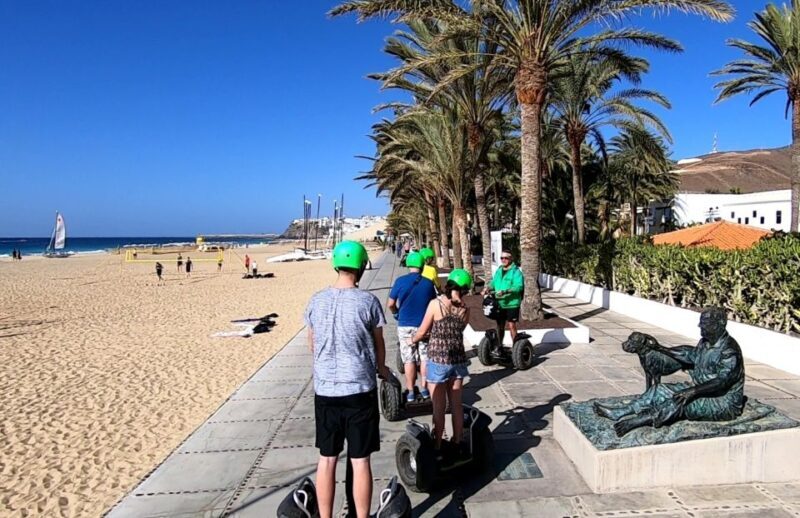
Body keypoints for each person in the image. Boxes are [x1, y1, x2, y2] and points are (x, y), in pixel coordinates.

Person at [304, 241, 389, 518]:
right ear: (363, 266)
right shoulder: (368, 302)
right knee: (360, 460)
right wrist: (382, 369)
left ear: (336, 264)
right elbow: (379, 345)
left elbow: (312, 344)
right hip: (359, 390)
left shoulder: (316, 301)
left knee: (327, 460)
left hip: (326, 390)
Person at [595, 307, 745, 437]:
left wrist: (692, 391)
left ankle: (641, 420)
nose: (700, 326)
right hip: (702, 390)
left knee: (679, 402)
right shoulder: (705, 342)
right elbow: (688, 355)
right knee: (658, 389)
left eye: (705, 324)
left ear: (720, 324)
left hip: (721, 402)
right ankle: (621, 412)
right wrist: (660, 348)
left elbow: (722, 381)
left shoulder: (730, 351)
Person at [411, 269, 472, 455]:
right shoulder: (465, 309)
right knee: (456, 405)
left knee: (438, 407)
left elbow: (422, 331)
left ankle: (437, 444)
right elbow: (455, 331)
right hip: (458, 360)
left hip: (438, 361)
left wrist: (411, 340)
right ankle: (458, 441)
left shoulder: (436, 304)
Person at [388, 252, 437, 402]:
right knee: (425, 358)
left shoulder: (400, 281)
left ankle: (410, 391)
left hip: (405, 325)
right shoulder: (428, 283)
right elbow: (433, 304)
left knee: (408, 359)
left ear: (408, 265)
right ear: (422, 266)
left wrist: (396, 313)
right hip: (424, 326)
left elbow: (390, 304)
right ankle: (424, 389)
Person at [483, 250, 524, 345]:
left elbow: (519, 287)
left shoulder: (516, 272)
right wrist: (488, 288)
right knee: (500, 326)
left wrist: (505, 291)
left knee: (511, 325)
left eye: (506, 258)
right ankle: (499, 345)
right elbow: (494, 282)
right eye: (502, 258)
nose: (503, 260)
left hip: (512, 303)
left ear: (511, 259)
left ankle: (516, 348)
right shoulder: (499, 270)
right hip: (500, 303)